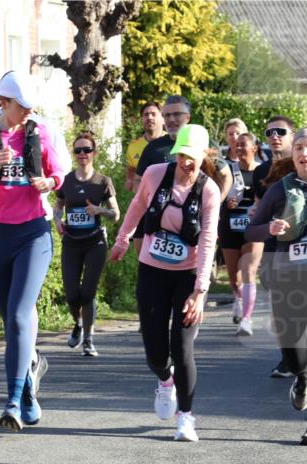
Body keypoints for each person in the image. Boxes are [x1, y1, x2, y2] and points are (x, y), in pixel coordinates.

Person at [0, 70, 67, 432]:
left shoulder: (40, 132)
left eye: (31, 106)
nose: (28, 112)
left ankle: (13, 401)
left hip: (33, 234)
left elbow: (59, 174)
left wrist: (48, 181)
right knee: (12, 322)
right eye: (21, 106)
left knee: (21, 315)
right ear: (3, 102)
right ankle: (30, 376)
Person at [110, 125, 221, 442]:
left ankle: (186, 417)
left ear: (204, 155)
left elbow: (208, 240)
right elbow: (137, 206)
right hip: (152, 270)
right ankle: (164, 380)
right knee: (156, 354)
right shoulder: (155, 174)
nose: (186, 162)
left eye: (192, 156)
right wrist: (122, 239)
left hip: (188, 275)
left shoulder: (209, 191)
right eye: (181, 155)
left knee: (182, 347)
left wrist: (200, 291)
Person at [245, 127, 307, 446]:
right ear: (293, 154)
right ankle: (301, 377)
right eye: (299, 147)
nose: (304, 153)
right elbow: (250, 231)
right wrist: (269, 228)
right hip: (287, 277)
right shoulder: (280, 189)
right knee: (294, 354)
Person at [54, 131, 120, 357]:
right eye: (78, 150)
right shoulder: (66, 180)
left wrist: (99, 209)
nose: (83, 154)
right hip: (71, 242)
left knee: (87, 293)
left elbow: (115, 214)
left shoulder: (103, 181)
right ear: (74, 154)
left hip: (95, 242)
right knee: (72, 294)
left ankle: (89, 340)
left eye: (87, 150)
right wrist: (58, 221)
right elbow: (58, 206)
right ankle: (78, 324)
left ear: (94, 153)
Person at [251, 116, 298, 378]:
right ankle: (288, 358)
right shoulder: (261, 171)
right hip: (275, 247)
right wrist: (257, 215)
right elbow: (259, 210)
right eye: (269, 132)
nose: (274, 136)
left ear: (293, 135)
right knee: (281, 304)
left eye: (280, 131)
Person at [133, 95, 192, 254]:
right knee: (144, 255)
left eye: (177, 114)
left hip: (189, 219)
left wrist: (213, 204)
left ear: (187, 117)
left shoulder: (200, 142)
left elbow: (225, 175)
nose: (171, 119)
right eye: (167, 115)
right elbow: (137, 180)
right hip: (156, 214)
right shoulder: (154, 147)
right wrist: (146, 199)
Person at [219, 132, 261, 334]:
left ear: (254, 148)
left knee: (249, 270)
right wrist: (227, 202)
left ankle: (246, 319)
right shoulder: (228, 170)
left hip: (254, 228)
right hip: (230, 227)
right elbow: (219, 196)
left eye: (243, 145)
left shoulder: (262, 171)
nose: (239, 148)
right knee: (234, 279)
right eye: (237, 145)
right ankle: (239, 298)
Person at [126, 103, 166, 193]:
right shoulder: (133, 147)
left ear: (163, 119)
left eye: (153, 114)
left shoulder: (173, 142)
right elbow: (130, 179)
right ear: (142, 120)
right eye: (146, 115)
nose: (149, 117)